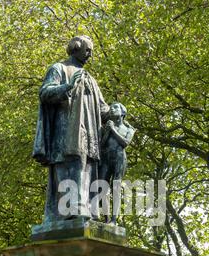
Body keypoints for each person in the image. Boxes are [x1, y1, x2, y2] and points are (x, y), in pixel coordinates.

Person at [33, 35, 109, 225]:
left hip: (89, 134)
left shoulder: (90, 78)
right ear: (76, 48)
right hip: (65, 132)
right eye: (88, 49)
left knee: (87, 168)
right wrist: (68, 86)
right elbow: (45, 92)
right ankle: (70, 211)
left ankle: (88, 210)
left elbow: (102, 108)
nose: (90, 54)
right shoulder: (59, 68)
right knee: (68, 166)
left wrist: (116, 113)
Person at [99, 102, 135, 224]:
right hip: (106, 157)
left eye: (115, 107)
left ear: (122, 112)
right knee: (101, 187)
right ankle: (106, 218)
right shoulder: (106, 127)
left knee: (116, 188)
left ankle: (114, 220)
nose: (112, 109)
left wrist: (113, 130)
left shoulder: (129, 129)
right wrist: (108, 131)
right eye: (111, 108)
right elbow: (102, 144)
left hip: (119, 157)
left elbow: (125, 143)